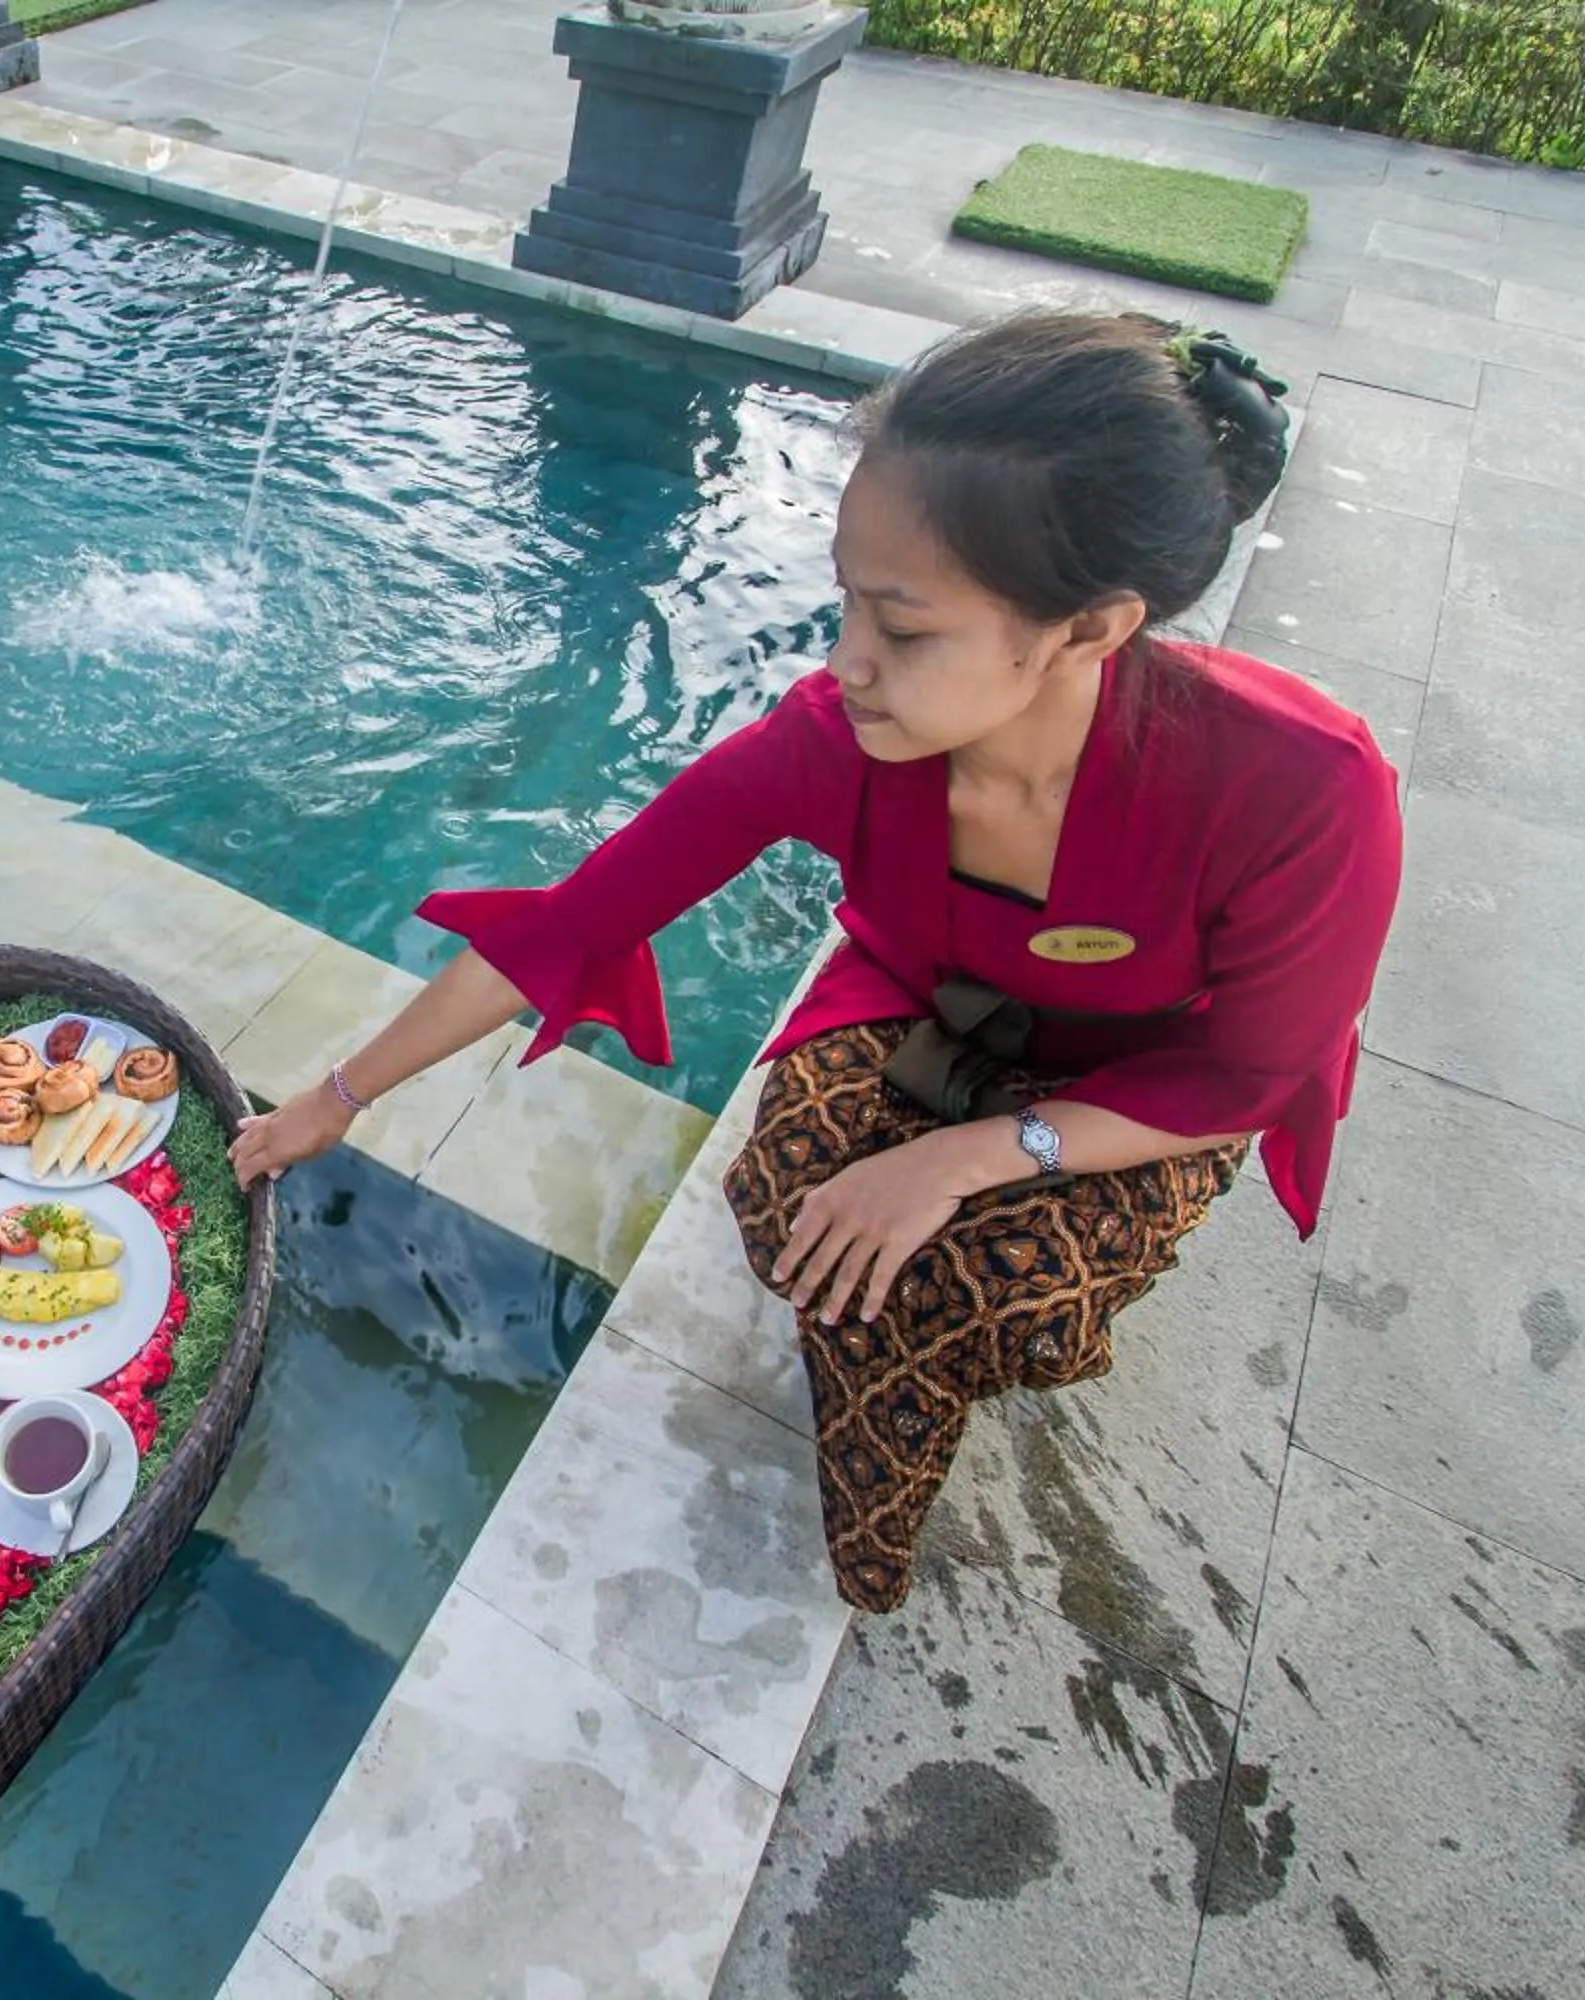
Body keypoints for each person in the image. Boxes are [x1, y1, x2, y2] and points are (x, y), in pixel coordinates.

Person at [228, 312, 1403, 1614]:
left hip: (1145, 1081)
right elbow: (572, 927)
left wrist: (960, 1159)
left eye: (903, 629)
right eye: (846, 600)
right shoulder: (832, 737)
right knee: (797, 1211)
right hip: (929, 1003)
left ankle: (881, 1510)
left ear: (1086, 629)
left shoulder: (1298, 787)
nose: (844, 662)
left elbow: (1249, 1068)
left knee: (990, 1293)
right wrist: (332, 1102)